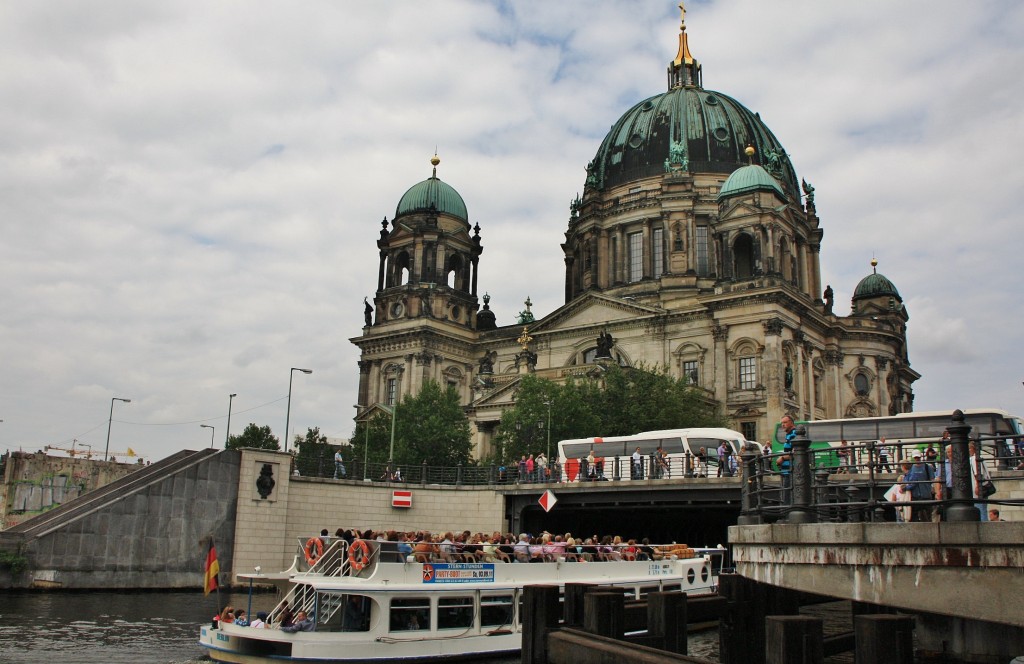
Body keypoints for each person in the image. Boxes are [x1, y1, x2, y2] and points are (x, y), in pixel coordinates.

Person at [902, 452, 935, 522]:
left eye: (918, 457)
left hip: (926, 494)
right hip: (915, 495)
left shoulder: (927, 467)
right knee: (914, 514)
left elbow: (932, 479)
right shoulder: (912, 468)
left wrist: (933, 488)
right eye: (915, 458)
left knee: (928, 514)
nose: (917, 459)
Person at [969, 441, 991, 521]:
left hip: (978, 489)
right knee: (982, 509)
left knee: (980, 509)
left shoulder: (974, 459)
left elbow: (978, 474)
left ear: (972, 449)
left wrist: (977, 487)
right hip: (983, 487)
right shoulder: (980, 458)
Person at [778, 415, 796, 504]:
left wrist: (782, 458)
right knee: (786, 494)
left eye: (785, 422)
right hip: (787, 470)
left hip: (791, 470)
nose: (783, 425)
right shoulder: (788, 435)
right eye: (782, 423)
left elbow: (796, 452)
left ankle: (787, 515)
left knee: (787, 495)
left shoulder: (794, 434)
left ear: (791, 422)